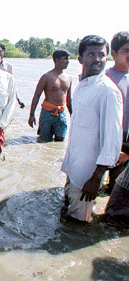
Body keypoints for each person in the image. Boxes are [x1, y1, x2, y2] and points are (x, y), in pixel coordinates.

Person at [61, 35, 123, 222]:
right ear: (80, 59)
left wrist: (96, 178)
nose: (97, 59)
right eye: (91, 55)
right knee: (69, 217)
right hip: (74, 169)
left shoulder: (108, 92)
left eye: (101, 55)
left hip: (88, 176)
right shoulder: (82, 86)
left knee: (80, 224)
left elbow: (112, 140)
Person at [28, 50, 73, 141]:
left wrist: (73, 115)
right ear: (56, 60)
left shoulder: (69, 78)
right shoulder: (46, 77)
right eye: (65, 59)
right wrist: (32, 115)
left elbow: (68, 98)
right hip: (47, 113)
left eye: (68, 59)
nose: (68, 61)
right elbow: (36, 96)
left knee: (60, 139)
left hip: (61, 113)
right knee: (44, 140)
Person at [104, 31, 129, 193]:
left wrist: (127, 151)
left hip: (126, 140)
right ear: (113, 53)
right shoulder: (103, 78)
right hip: (104, 136)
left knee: (116, 187)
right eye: (127, 51)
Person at [0, 44, 25, 109]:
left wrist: (18, 99)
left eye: (1, 52)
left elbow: (12, 83)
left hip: (5, 96)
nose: (0, 54)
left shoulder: (8, 66)